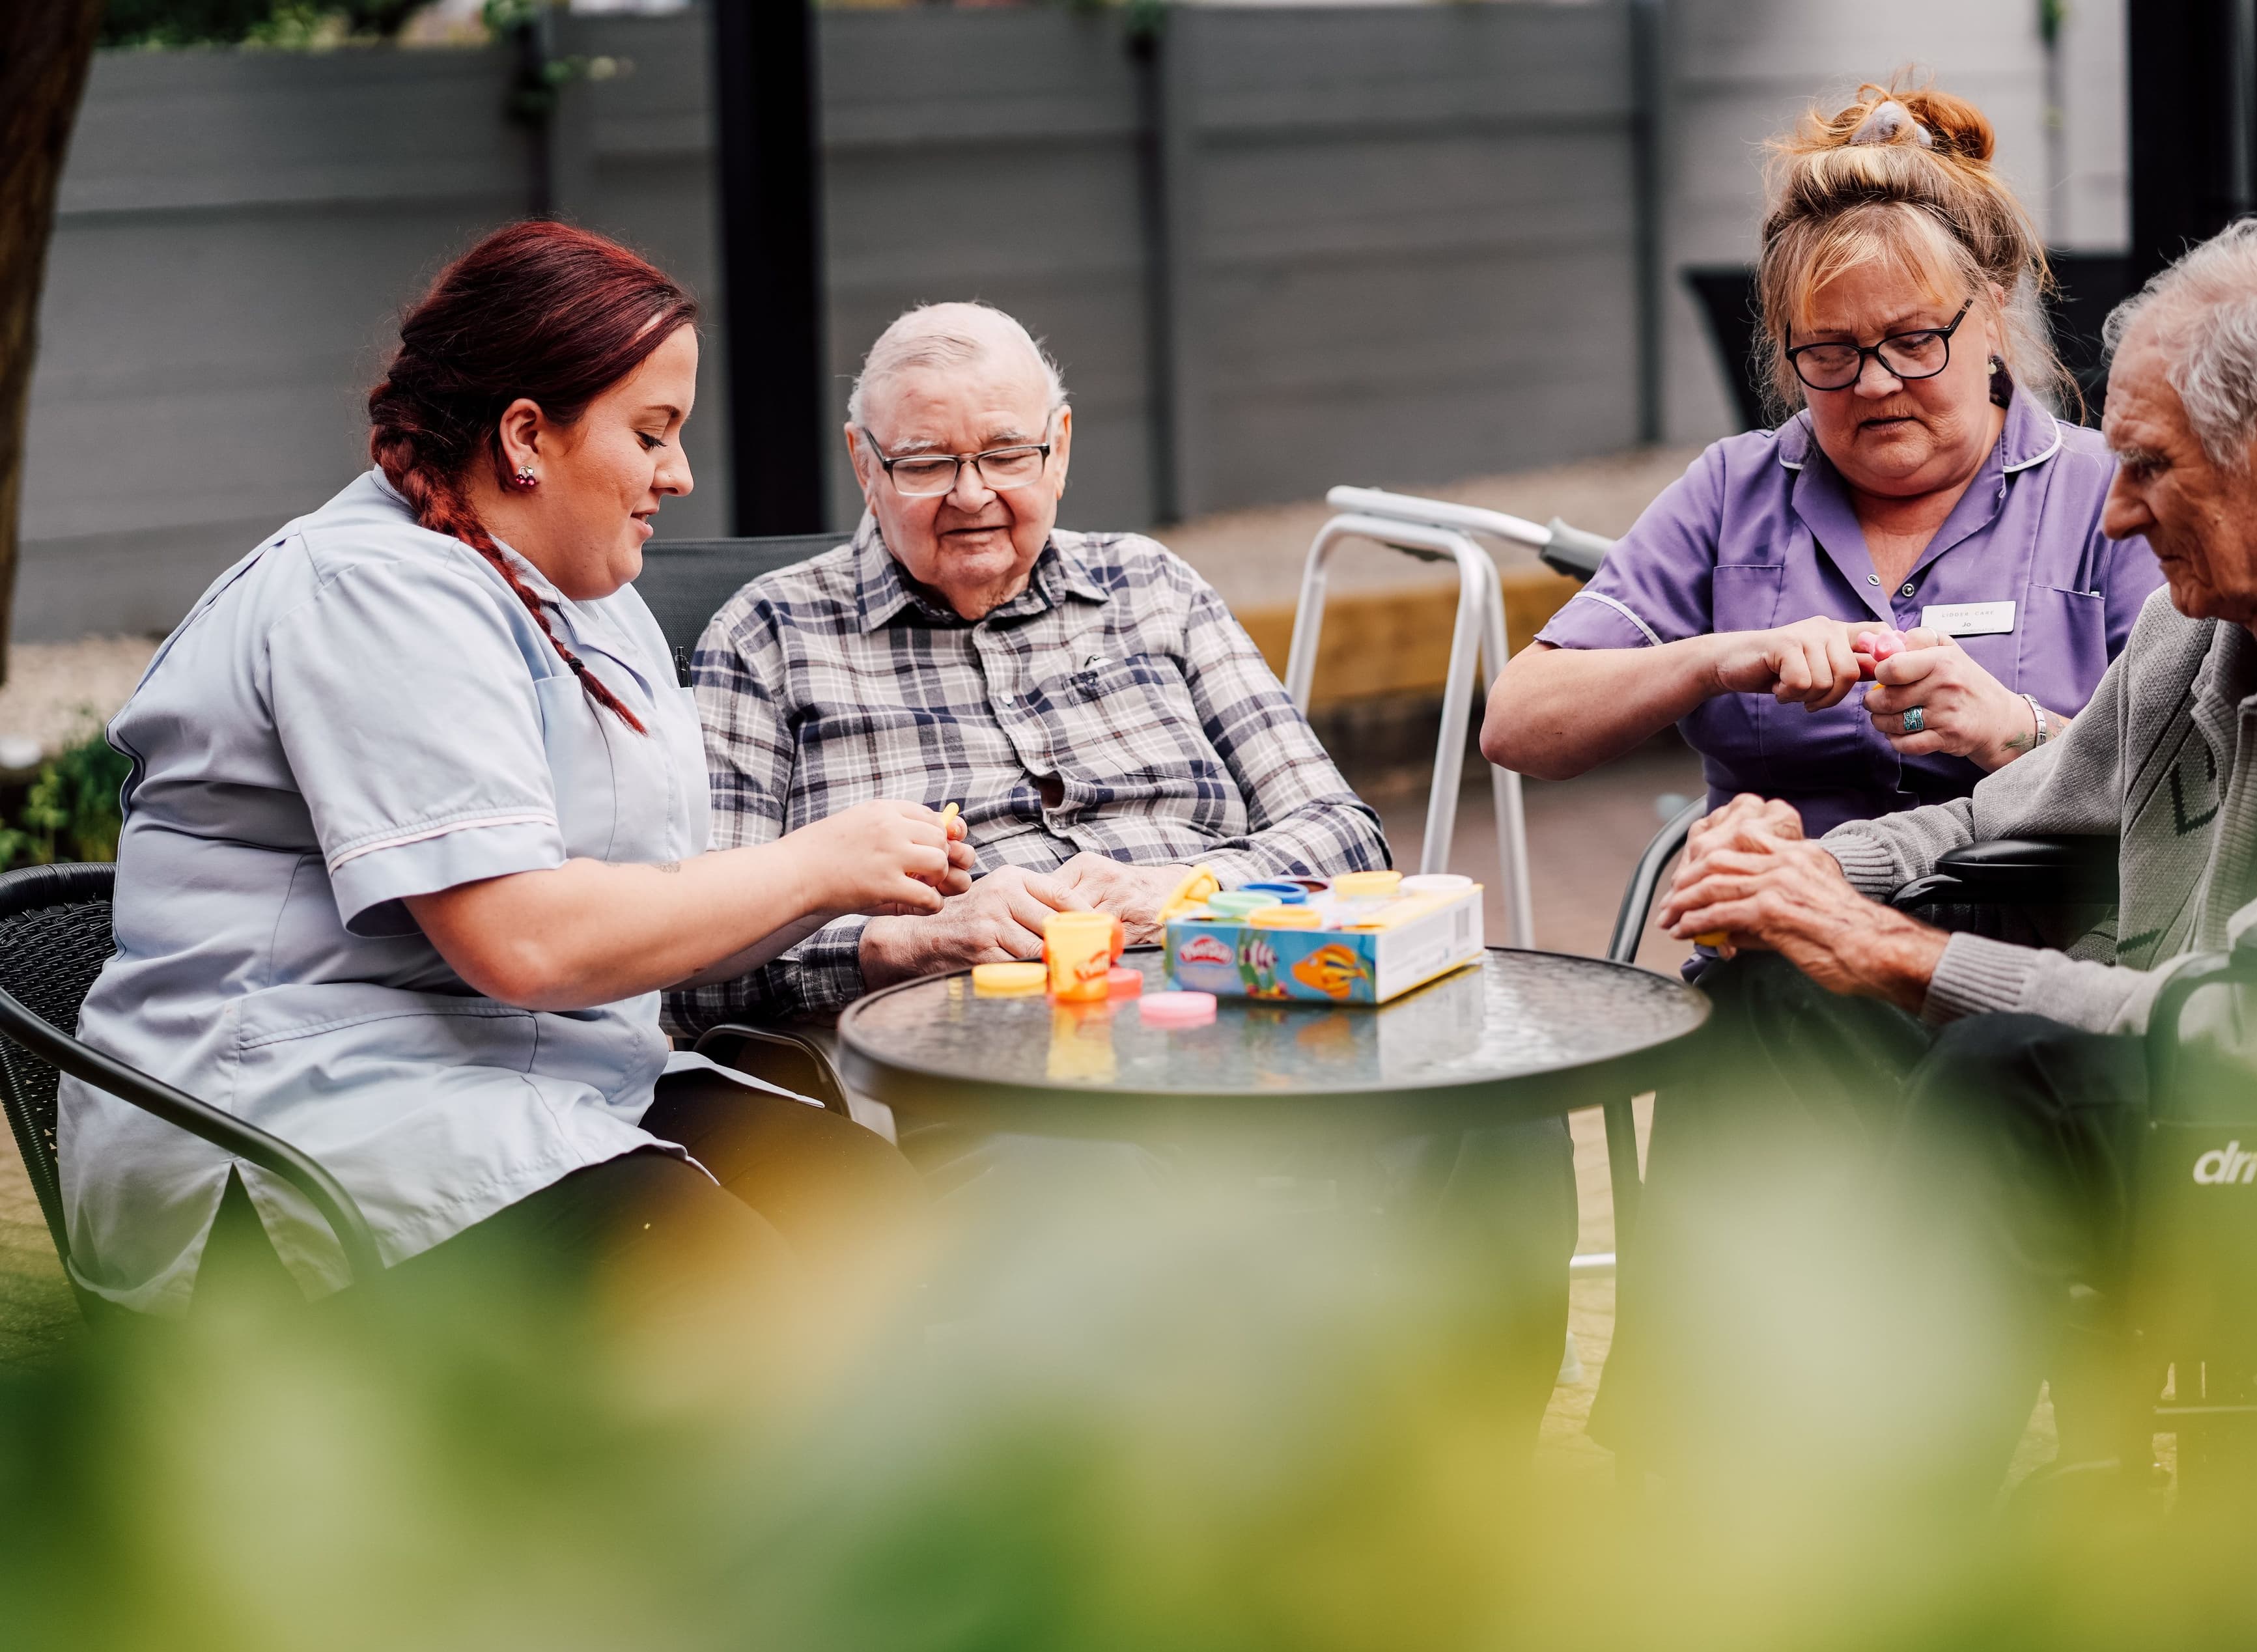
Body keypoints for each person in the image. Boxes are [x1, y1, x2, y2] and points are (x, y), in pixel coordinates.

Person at [1601, 219, 2257, 1477]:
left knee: (2006, 1066)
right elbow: (1999, 813)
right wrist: (1802, 879)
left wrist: (1905, 958)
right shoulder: (2224, 613)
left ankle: (1909, 1531)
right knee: (1775, 987)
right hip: (2190, 1079)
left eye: (2148, 468)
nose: (2119, 514)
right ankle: (1703, 1469)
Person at [668, 301, 1575, 1435]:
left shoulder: (1153, 591)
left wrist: (1180, 890)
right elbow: (695, 960)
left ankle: (1462, 1498)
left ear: (1060, 443)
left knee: (1493, 1115)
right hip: (987, 1078)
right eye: (927, 462)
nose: (972, 493)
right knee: (1113, 1212)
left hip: (1253, 1022)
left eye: (1005, 454)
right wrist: (914, 938)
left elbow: (1343, 833)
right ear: (865, 462)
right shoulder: (772, 638)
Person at [60, 223, 973, 1321]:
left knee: (879, 1223)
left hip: (528, 1072)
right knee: (726, 1296)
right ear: (527, 435)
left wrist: (884, 907)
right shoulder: (369, 592)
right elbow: (526, 941)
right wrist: (820, 866)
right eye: (653, 433)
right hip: (297, 1119)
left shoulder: (593, 600)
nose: (679, 475)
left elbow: (652, 899)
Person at [1481, 83, 2166, 835]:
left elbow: (2199, 783)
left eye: (1913, 341)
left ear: (1994, 313)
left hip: (2032, 949)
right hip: (1783, 940)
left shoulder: (2113, 492)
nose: (1874, 383)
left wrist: (2011, 727)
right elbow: (1517, 726)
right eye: (1831, 352)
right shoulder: (1732, 492)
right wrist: (1719, 659)